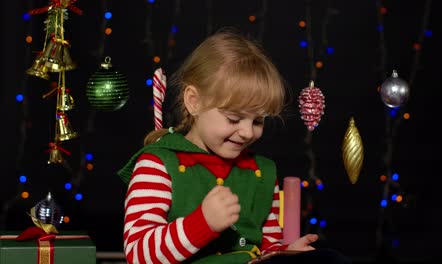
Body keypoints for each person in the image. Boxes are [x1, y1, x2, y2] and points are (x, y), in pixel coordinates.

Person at [117, 29, 351, 264]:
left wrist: (284, 252)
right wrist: (202, 223)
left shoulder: (262, 173)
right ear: (193, 102)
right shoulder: (157, 165)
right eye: (234, 119)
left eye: (258, 120)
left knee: (330, 260)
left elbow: (264, 247)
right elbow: (139, 255)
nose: (248, 132)